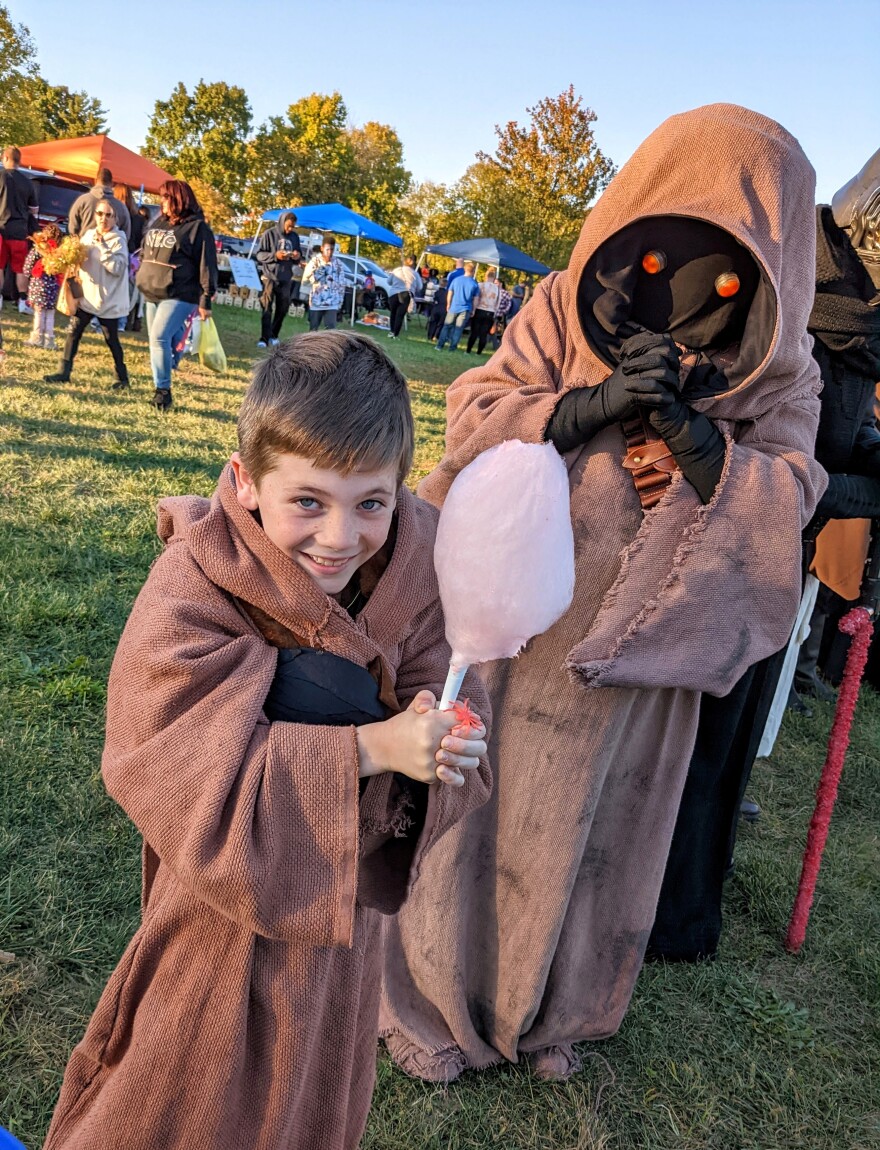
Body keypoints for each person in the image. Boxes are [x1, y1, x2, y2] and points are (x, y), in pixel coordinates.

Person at [380, 104, 826, 1084]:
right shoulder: (561, 306)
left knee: (598, 834)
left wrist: (700, 441)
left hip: (642, 652)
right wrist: (587, 406)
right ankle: (432, 994)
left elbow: (788, 495)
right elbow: (475, 413)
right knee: (477, 807)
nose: (689, 285)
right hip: (520, 618)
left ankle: (550, 1009)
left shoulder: (785, 376)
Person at [42, 330, 491, 1150]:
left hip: (343, 935)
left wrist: (446, 738)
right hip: (215, 922)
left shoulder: (420, 570)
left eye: (372, 504)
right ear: (247, 483)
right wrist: (371, 749)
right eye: (308, 502)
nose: (340, 536)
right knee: (176, 1099)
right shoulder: (197, 581)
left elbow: (457, 699)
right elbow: (161, 758)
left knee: (308, 1092)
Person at [648, 197, 880, 964]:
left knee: (725, 748)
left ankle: (680, 912)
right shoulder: (788, 297)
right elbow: (761, 458)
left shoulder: (862, 328)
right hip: (707, 549)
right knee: (678, 744)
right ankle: (642, 913)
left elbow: (843, 445)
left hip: (778, 555)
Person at [136, 179, 217, 411]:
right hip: (152, 289)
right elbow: (145, 249)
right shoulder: (158, 222)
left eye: (166, 197)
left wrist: (205, 298)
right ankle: (171, 359)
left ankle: (163, 391)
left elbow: (206, 264)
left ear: (178, 199)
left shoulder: (197, 228)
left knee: (158, 337)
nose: (161, 202)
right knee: (159, 339)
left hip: (180, 292)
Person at [43, 203, 131, 389]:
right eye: (100, 213)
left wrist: (103, 248)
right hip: (86, 297)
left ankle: (122, 378)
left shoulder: (118, 240)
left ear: (115, 219)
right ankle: (63, 372)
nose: (103, 218)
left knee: (111, 338)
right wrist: (62, 257)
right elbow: (76, 254)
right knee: (73, 332)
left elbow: (118, 268)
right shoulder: (89, 234)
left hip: (107, 300)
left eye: (108, 215)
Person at [255, 210, 302, 348]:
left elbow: (298, 256)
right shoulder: (269, 234)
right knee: (267, 308)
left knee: (283, 308)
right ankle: (264, 338)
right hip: (269, 276)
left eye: (292, 227)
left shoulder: (294, 237)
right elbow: (259, 255)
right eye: (288, 226)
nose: (290, 229)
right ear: (282, 222)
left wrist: (296, 256)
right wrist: (275, 256)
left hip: (286, 278)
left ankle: (274, 335)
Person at [0, 145, 37, 314]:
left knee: (0, 266)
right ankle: (23, 301)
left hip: (1, 227)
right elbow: (34, 210)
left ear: (5, 158)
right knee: (20, 268)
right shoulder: (27, 183)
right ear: (19, 161)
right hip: (20, 230)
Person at [22, 223, 63, 349]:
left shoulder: (38, 249)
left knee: (39, 312)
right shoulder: (58, 251)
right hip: (53, 286)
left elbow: (28, 266)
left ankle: (37, 338)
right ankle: (49, 340)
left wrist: (29, 274)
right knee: (50, 312)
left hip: (38, 283)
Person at [68, 168, 131, 243]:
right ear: (111, 183)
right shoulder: (122, 207)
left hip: (85, 249)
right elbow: (126, 234)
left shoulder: (82, 201)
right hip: (111, 251)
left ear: (95, 180)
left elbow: (72, 229)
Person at [113, 185, 144, 333]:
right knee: (126, 292)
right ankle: (123, 322)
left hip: (116, 253)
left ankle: (108, 319)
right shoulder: (138, 218)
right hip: (131, 257)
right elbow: (140, 241)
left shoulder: (115, 215)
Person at [302, 237, 346, 331]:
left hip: (332, 302)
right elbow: (305, 279)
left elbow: (342, 284)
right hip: (317, 302)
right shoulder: (315, 261)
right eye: (327, 249)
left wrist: (340, 301)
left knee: (331, 331)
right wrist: (317, 273)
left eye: (332, 249)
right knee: (313, 330)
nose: (330, 252)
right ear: (322, 248)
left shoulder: (338, 263)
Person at [435, 260, 480, 351]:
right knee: (458, 329)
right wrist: (474, 310)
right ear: (473, 271)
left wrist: (448, 304)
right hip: (466, 308)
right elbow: (476, 299)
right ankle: (452, 347)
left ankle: (439, 345)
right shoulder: (474, 284)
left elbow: (450, 293)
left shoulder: (456, 280)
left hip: (454, 306)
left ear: (465, 269)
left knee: (447, 326)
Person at [465, 268, 501, 354]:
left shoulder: (480, 285)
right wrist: (495, 313)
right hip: (490, 312)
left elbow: (475, 298)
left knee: (474, 331)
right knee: (483, 333)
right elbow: (498, 302)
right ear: (494, 277)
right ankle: (479, 352)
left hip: (479, 309)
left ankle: (468, 350)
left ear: (486, 276)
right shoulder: (497, 289)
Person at [386, 254, 419, 339]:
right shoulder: (414, 273)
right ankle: (396, 334)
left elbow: (389, 281)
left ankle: (391, 331)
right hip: (405, 294)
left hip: (393, 293)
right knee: (400, 315)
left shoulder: (396, 270)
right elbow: (420, 286)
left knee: (393, 313)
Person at [426, 275, 448, 342]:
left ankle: (430, 335)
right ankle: (436, 336)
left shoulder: (435, 292)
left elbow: (431, 300)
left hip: (436, 308)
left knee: (433, 322)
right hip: (443, 309)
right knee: (440, 324)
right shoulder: (447, 293)